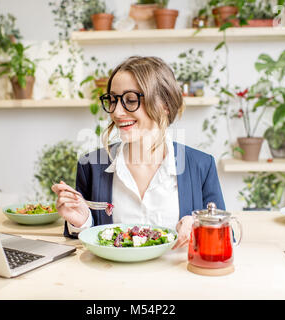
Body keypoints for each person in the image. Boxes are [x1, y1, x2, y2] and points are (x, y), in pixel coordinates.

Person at [52, 56, 225, 249]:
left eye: (131, 100)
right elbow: (81, 238)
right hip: (110, 276)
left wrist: (200, 226)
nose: (116, 112)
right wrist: (82, 221)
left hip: (177, 276)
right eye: (112, 100)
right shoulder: (91, 165)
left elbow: (226, 237)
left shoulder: (201, 165)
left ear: (164, 105)